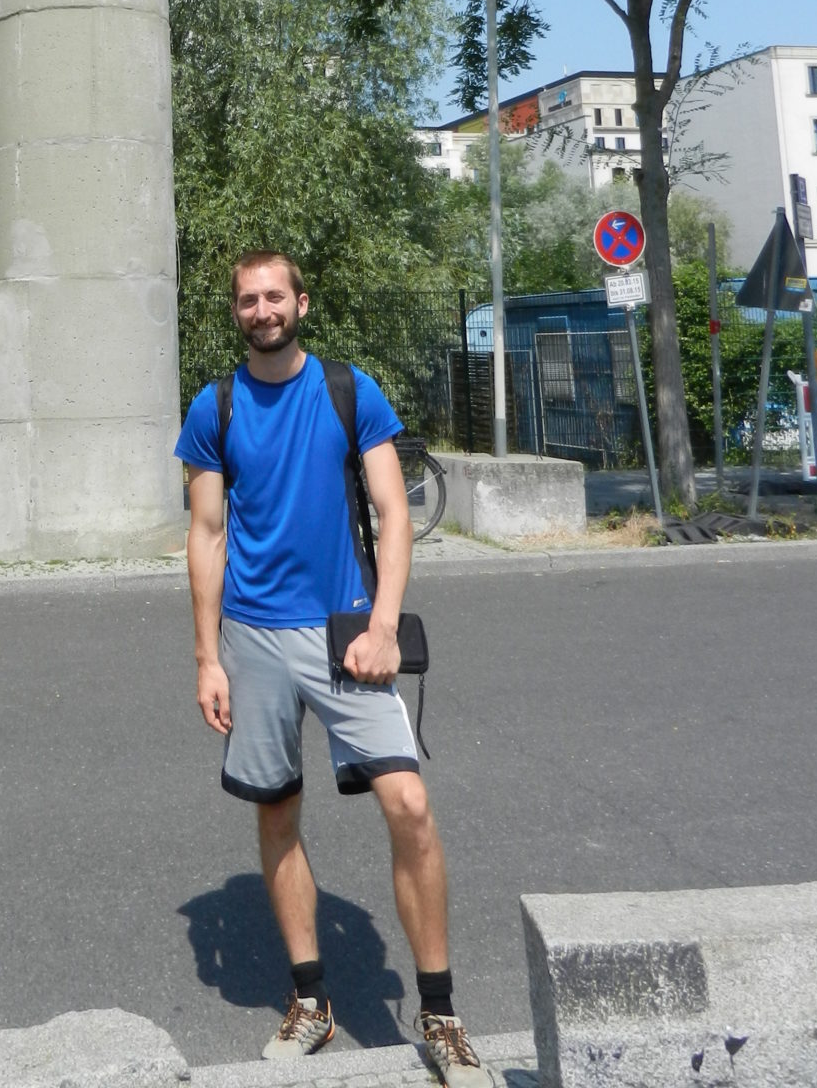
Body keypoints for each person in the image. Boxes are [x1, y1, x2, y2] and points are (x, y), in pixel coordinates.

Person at [176, 251, 492, 1085]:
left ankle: (441, 1016)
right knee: (278, 813)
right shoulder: (215, 406)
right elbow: (206, 537)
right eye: (247, 298)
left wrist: (385, 625)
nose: (261, 308)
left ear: (301, 303)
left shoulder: (350, 390)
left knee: (410, 804)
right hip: (253, 638)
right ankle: (312, 999)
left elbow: (395, 512)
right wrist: (207, 657)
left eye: (274, 295)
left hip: (348, 634)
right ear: (237, 311)